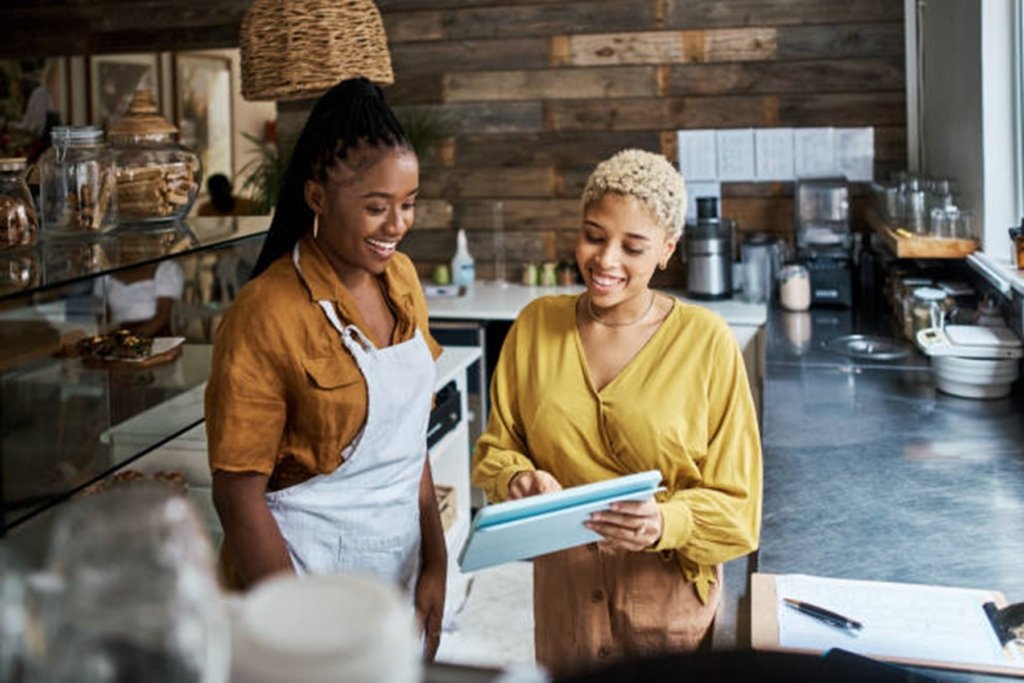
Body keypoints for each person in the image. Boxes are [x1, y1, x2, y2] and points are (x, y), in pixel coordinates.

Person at [471, 149, 762, 677]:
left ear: (667, 251)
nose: (605, 260)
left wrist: (664, 522)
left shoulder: (706, 343)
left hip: (665, 616)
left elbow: (740, 511)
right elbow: (496, 448)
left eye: (633, 246)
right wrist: (517, 479)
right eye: (594, 235)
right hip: (565, 612)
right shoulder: (535, 325)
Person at [204, 77, 447, 660]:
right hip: (304, 584)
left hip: (400, 573)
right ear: (316, 197)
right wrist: (298, 633)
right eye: (375, 207)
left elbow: (408, 440)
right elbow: (238, 494)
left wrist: (436, 562)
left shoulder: (403, 280)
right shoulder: (266, 311)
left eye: (407, 205)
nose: (397, 226)